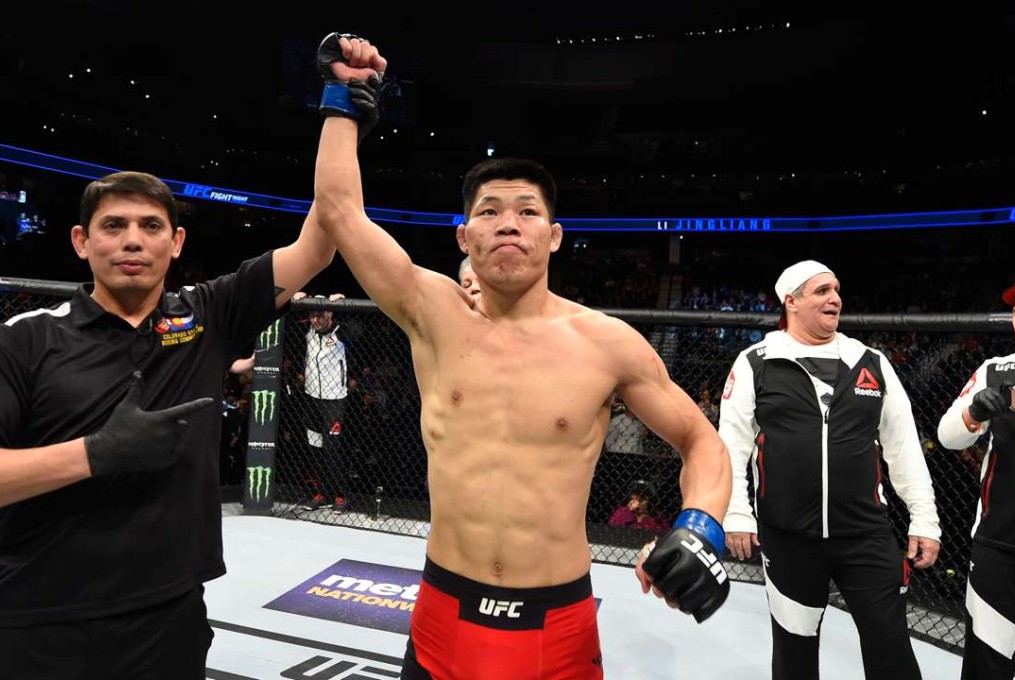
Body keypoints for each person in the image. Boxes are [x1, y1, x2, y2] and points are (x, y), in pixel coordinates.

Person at [311, 32, 732, 679]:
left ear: (555, 234)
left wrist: (698, 526)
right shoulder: (432, 315)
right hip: (442, 614)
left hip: (555, 627)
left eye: (528, 210)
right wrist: (345, 97)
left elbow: (702, 441)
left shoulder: (606, 342)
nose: (509, 221)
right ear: (464, 234)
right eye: (490, 210)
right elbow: (340, 212)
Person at [0, 171, 336, 678]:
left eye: (151, 225)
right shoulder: (25, 339)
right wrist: (94, 454)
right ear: (81, 241)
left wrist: (342, 109)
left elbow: (320, 242)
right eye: (113, 225)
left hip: (169, 613)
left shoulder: (208, 315)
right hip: (40, 614)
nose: (132, 239)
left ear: (176, 242)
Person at [719, 259, 942, 680]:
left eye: (837, 289)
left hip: (865, 534)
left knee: (891, 645)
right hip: (789, 538)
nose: (835, 298)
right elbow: (730, 446)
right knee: (795, 654)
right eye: (821, 290)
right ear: (792, 300)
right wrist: (735, 512)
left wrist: (925, 519)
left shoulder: (870, 361)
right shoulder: (757, 361)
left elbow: (904, 446)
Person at [937, 283, 1015, 680]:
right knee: (987, 664)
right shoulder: (996, 369)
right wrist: (973, 413)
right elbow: (949, 435)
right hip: (1000, 545)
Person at [292, 291, 352, 513]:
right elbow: (287, 314)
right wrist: (299, 297)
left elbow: (362, 325)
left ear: (329, 314)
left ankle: (341, 495)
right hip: (311, 398)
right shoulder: (308, 331)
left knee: (332, 449)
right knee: (315, 447)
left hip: (334, 401)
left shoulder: (342, 332)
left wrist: (342, 303)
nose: (315, 320)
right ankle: (322, 493)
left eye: (319, 315)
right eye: (312, 315)